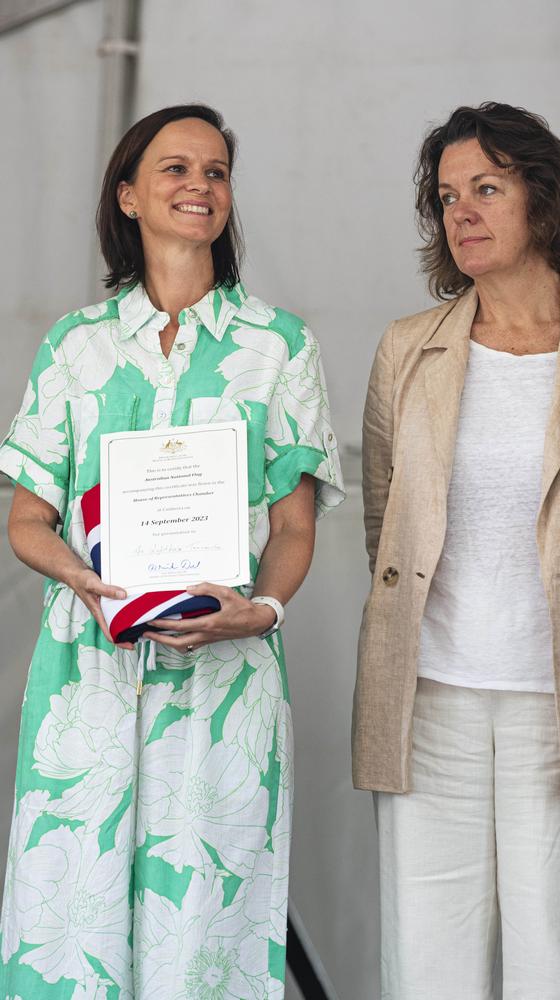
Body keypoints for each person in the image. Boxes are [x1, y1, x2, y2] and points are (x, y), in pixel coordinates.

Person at [0, 103, 344, 999]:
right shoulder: (73, 349)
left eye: (216, 172)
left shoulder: (280, 347)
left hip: (226, 683)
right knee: (69, 927)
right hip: (89, 677)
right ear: (127, 195)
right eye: (176, 169)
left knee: (208, 931)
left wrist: (258, 612)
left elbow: (296, 528)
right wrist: (83, 579)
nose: (200, 186)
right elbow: (28, 520)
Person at [353, 101, 560, 999]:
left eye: (487, 187)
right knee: (427, 964)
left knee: (556, 961)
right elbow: (385, 527)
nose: (462, 213)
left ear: (545, 199)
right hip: (430, 698)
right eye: (446, 197)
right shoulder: (407, 350)